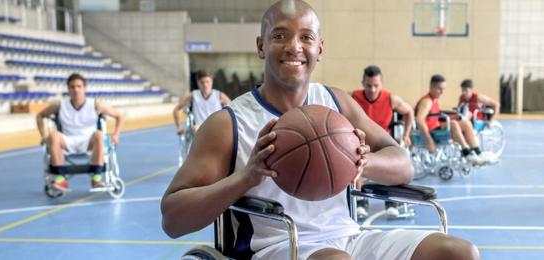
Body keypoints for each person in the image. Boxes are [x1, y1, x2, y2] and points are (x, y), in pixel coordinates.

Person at [160, 1, 479, 259]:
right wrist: (246, 177)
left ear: (320, 49)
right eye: (280, 36)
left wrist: (361, 161)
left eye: (306, 37)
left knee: (459, 252)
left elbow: (403, 164)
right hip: (277, 246)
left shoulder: (336, 104)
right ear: (261, 46)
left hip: (349, 238)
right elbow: (172, 219)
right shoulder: (228, 123)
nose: (293, 47)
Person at [35, 73, 124, 191]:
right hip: (67, 140)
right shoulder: (60, 105)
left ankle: (97, 178)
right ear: (68, 89)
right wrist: (43, 135)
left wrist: (116, 134)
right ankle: (60, 179)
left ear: (85, 88)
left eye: (79, 86)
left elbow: (119, 116)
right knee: (53, 135)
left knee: (99, 134)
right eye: (72, 87)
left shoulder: (95, 104)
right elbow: (40, 115)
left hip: (89, 141)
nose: (76, 89)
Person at [350, 65, 415, 219]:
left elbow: (409, 112)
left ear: (381, 83)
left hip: (383, 142)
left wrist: (406, 134)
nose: (372, 89)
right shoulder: (352, 97)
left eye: (376, 85)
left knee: (394, 164)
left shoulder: (391, 99)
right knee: (357, 162)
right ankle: (360, 201)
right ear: (362, 83)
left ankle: (391, 202)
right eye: (368, 85)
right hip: (361, 143)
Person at [415, 74, 488, 165]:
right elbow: (419, 120)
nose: (442, 92)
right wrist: (428, 140)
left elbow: (435, 116)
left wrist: (454, 116)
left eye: (443, 89)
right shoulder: (427, 101)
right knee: (453, 124)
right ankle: (466, 152)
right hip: (430, 131)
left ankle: (478, 152)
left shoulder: (434, 99)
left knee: (465, 123)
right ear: (432, 86)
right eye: (439, 89)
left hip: (436, 126)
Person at [173, 70, 232, 135]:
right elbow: (176, 110)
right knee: (195, 128)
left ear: (211, 81)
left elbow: (233, 109)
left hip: (217, 126)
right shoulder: (193, 95)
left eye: (207, 82)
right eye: (202, 82)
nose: (205, 85)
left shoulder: (219, 95)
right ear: (197, 83)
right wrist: (179, 127)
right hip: (200, 127)